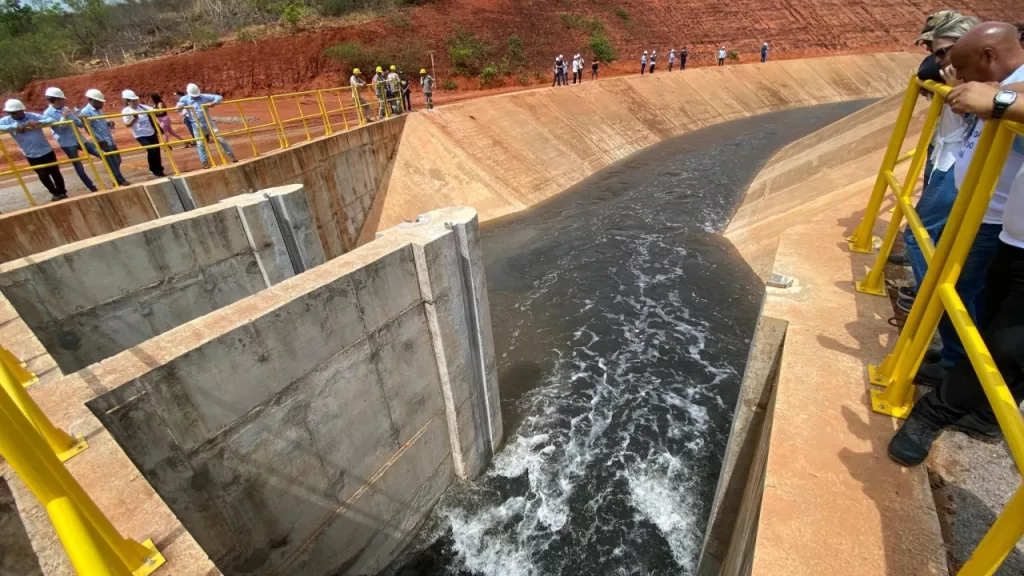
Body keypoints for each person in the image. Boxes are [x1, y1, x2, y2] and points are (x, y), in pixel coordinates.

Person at [888, 22, 1024, 466]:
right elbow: (929, 69)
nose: (958, 77)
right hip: (1001, 227)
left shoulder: (1008, 90)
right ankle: (964, 380)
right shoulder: (999, 84)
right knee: (982, 314)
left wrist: (997, 100)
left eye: (964, 67)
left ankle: (942, 407)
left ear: (987, 56)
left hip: (992, 222)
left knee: (997, 332)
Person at [899, 16, 982, 382]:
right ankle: (949, 344)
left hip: (959, 166)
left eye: (947, 50)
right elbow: (925, 69)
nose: (941, 60)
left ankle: (931, 316)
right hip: (950, 160)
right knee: (939, 249)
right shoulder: (960, 75)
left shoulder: (989, 82)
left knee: (918, 239)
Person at [0, 99, 67, 201]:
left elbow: (50, 120)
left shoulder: (32, 116)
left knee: (55, 172)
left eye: (14, 112)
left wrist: (38, 122)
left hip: (46, 150)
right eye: (10, 113)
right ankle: (55, 193)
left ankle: (62, 192)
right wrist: (15, 127)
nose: (12, 115)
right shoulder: (6, 121)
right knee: (42, 175)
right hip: (31, 154)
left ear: (22, 110)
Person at [41, 87, 98, 192]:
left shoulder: (66, 109)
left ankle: (116, 177)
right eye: (62, 99)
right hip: (67, 143)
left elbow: (79, 124)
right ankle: (91, 187)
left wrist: (82, 119)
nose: (64, 101)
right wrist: (64, 117)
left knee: (101, 153)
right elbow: (59, 130)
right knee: (78, 166)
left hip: (79, 139)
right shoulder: (47, 114)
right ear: (57, 100)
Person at [176, 83, 237, 169]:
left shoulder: (203, 97)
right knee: (200, 144)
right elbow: (178, 106)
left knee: (220, 139)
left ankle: (232, 156)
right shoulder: (184, 99)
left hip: (208, 122)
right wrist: (180, 106)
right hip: (196, 124)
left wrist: (214, 102)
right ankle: (205, 162)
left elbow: (219, 97)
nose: (196, 97)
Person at [78, 89, 130, 186]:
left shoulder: (99, 111)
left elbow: (100, 124)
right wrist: (100, 140)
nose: (102, 104)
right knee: (111, 162)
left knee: (117, 160)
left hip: (109, 139)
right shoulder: (86, 112)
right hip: (102, 141)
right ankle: (120, 180)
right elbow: (88, 129)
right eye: (100, 102)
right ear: (93, 100)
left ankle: (117, 179)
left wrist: (108, 123)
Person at [121, 90, 164, 178]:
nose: (135, 102)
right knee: (151, 150)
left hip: (151, 132)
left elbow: (157, 111)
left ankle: (159, 169)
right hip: (141, 135)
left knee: (156, 150)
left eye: (136, 100)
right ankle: (153, 169)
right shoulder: (126, 111)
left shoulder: (142, 107)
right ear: (128, 101)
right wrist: (134, 119)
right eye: (133, 101)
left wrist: (160, 108)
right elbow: (127, 124)